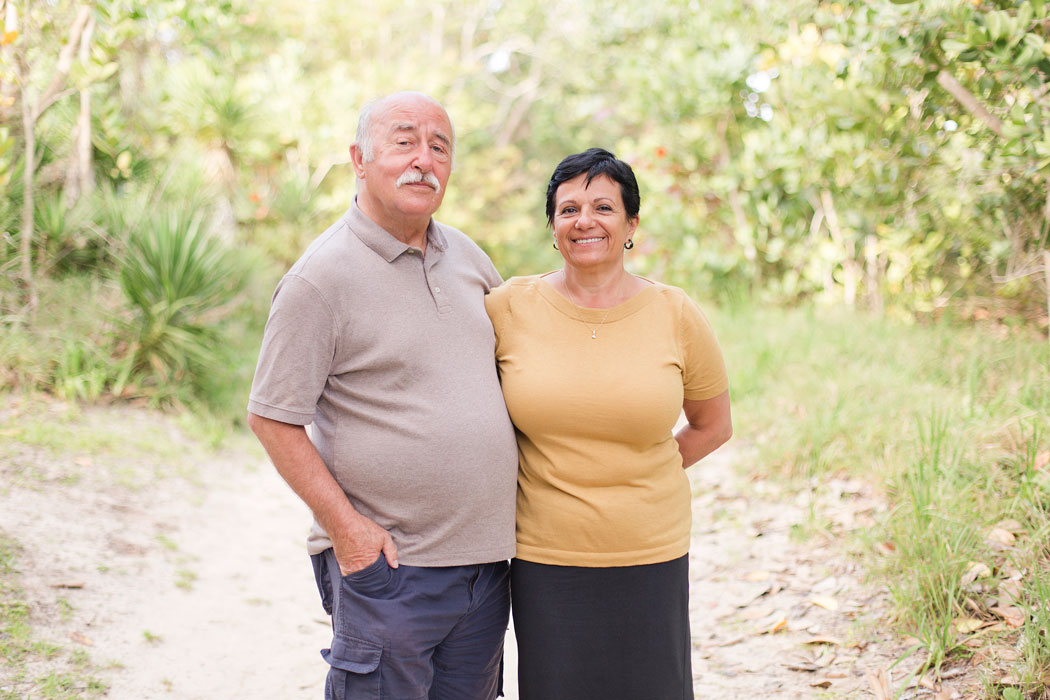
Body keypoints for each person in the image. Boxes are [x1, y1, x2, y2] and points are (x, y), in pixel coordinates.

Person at [247, 91, 518, 700]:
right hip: (391, 568)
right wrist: (347, 530)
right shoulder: (319, 279)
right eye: (404, 142)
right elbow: (271, 419)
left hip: (484, 568)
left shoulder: (470, 259)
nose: (424, 159)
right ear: (360, 159)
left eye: (439, 147)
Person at [484, 147, 732, 700]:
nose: (585, 221)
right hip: (545, 556)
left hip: (651, 550)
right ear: (552, 226)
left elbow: (713, 424)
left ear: (630, 224)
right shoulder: (507, 308)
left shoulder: (675, 312)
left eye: (603, 207)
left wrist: (647, 468)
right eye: (568, 209)